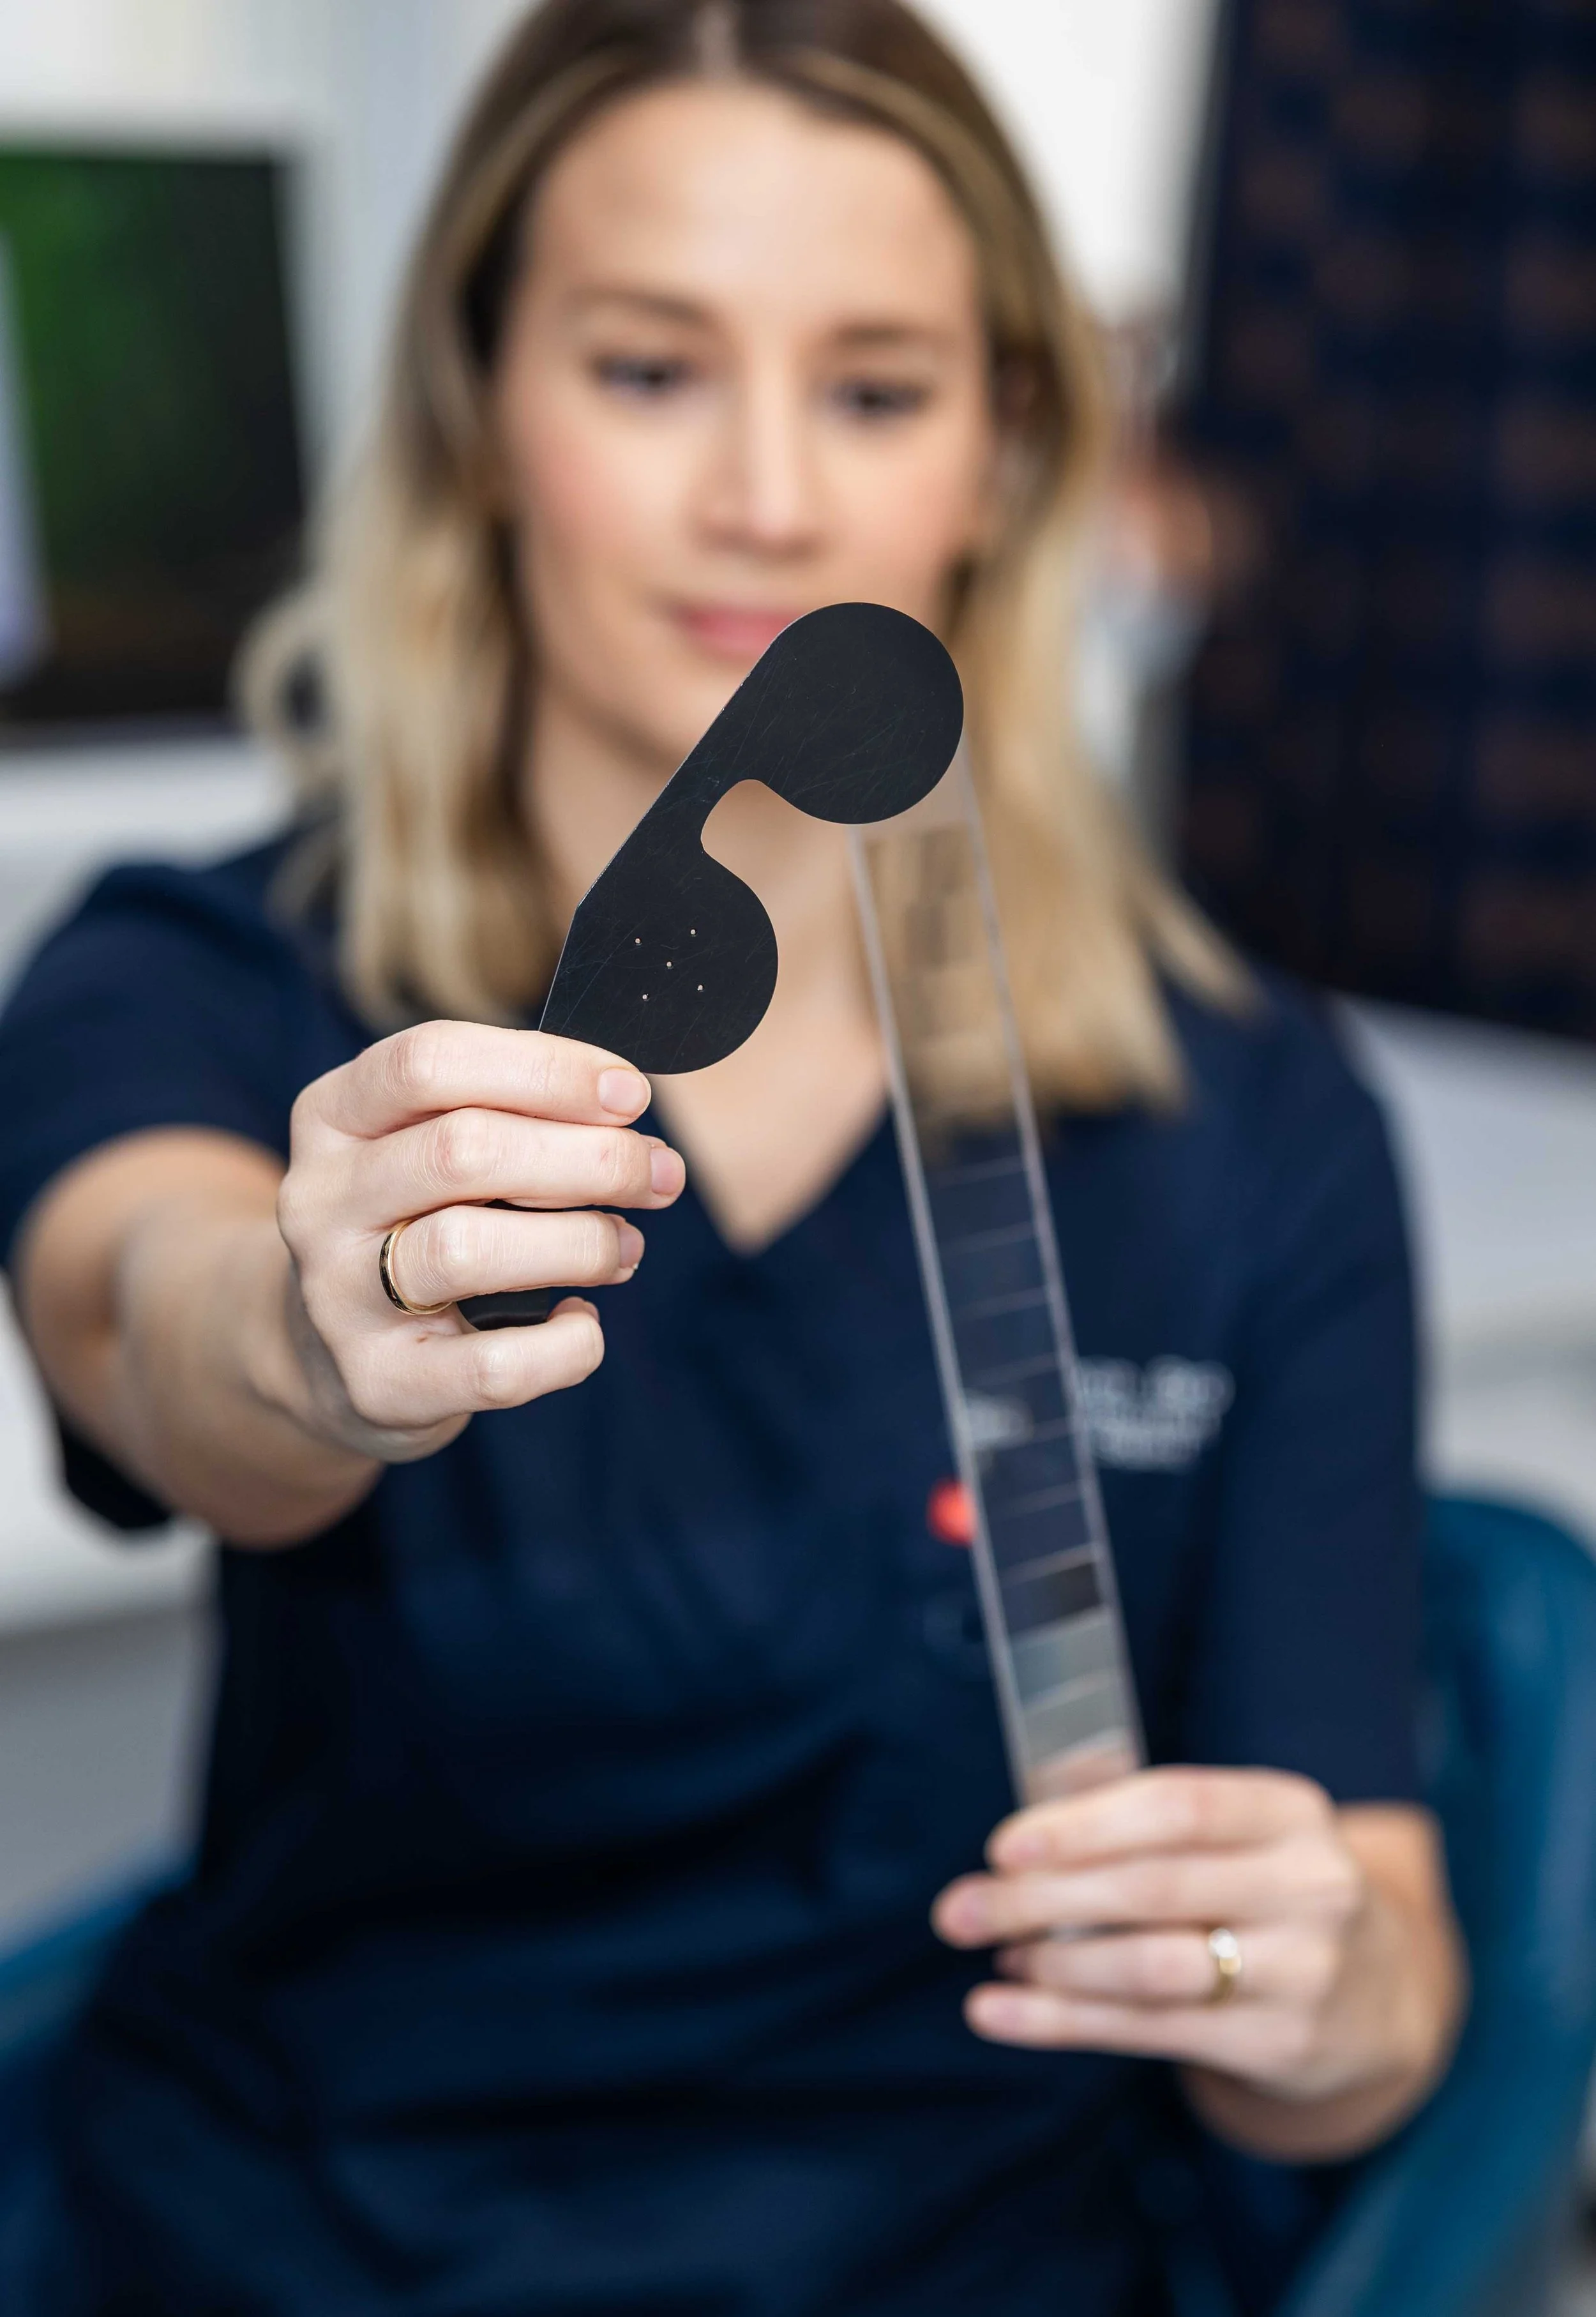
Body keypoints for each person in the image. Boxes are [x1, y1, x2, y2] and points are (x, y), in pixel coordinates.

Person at [0, 3, 1464, 2311]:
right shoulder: (208, 977)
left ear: (1000, 450)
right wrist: (304, 1321)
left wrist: (1313, 1988)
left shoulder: (1249, 1121)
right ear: (480, 410)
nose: (764, 497)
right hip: (310, 2251)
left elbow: (1364, 1985)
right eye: (649, 369)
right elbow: (149, 1315)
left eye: (873, 389)